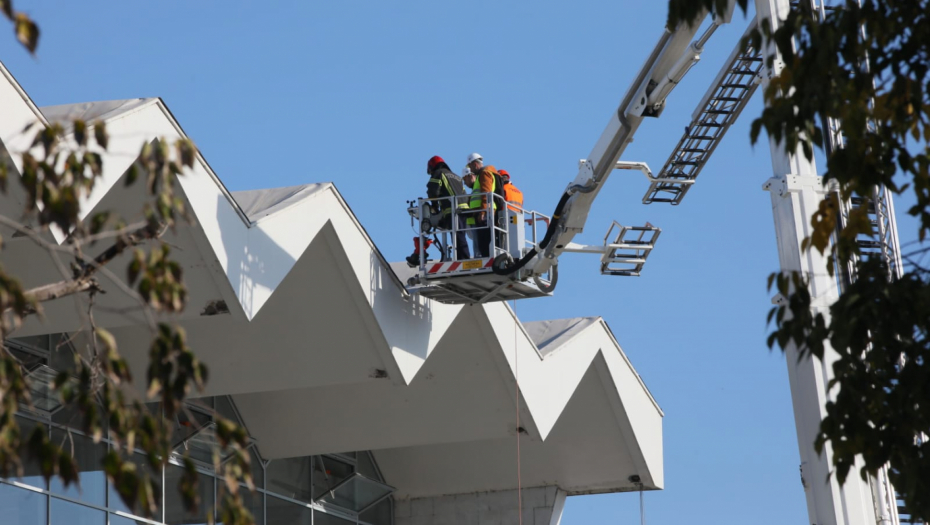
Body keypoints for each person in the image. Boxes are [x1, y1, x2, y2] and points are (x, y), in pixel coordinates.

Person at [407, 156, 469, 266]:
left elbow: (432, 191)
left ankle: (464, 260)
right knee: (461, 235)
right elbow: (463, 193)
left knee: (457, 236)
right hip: (464, 209)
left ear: (432, 167)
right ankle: (463, 258)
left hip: (452, 210)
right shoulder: (457, 177)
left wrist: (434, 206)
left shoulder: (439, 173)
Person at [464, 153, 504, 258]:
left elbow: (486, 193)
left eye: (471, 167)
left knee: (484, 242)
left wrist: (483, 212)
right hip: (487, 211)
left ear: (475, 164)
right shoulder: (486, 173)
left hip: (485, 213)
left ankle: (486, 261)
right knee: (486, 241)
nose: (471, 170)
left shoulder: (484, 174)